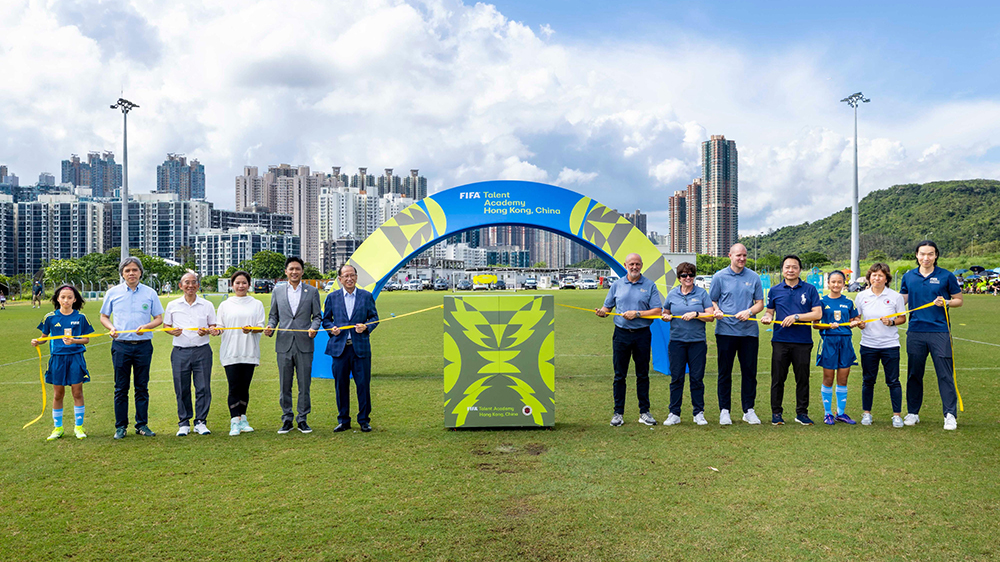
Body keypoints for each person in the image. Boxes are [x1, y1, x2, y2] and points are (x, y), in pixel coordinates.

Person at [900, 240, 963, 430]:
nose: (926, 258)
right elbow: (901, 300)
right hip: (916, 331)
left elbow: (958, 300)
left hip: (940, 332)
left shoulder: (946, 276)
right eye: (922, 254)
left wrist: (946, 302)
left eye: (930, 254)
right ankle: (912, 412)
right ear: (917, 256)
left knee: (945, 374)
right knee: (913, 374)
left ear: (936, 255)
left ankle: (950, 415)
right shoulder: (909, 276)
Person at [596, 253, 663, 427]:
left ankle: (644, 412)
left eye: (638, 264)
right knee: (619, 376)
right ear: (625, 265)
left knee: (643, 374)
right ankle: (618, 413)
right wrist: (602, 312)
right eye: (631, 264)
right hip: (621, 334)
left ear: (642, 265)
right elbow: (607, 306)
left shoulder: (649, 285)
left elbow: (657, 311)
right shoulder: (617, 285)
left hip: (642, 334)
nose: (634, 267)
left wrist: (638, 313)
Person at [100, 257, 164, 439]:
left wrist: (147, 327)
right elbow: (104, 316)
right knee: (121, 388)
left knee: (141, 387)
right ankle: (120, 426)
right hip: (121, 346)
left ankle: (142, 425)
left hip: (143, 346)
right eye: (127, 270)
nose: (131, 273)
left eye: (135, 270)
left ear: (140, 272)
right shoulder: (113, 293)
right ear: (122, 273)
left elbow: (159, 318)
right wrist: (111, 327)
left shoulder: (150, 293)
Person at [761, 255, 823, 426]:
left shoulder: (810, 289)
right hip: (780, 340)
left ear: (799, 270)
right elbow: (769, 312)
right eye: (787, 267)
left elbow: (817, 314)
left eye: (794, 267)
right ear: (782, 269)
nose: (790, 270)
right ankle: (776, 413)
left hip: (802, 341)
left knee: (802, 379)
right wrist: (767, 317)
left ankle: (802, 413)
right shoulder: (774, 290)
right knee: (778, 378)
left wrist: (797, 317)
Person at [710, 243, 766, 425]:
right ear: (730, 256)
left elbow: (760, 303)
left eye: (744, 255)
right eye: (738, 255)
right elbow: (712, 301)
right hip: (725, 332)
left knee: (749, 372)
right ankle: (724, 410)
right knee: (724, 372)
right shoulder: (719, 277)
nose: (742, 258)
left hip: (749, 333)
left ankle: (748, 410)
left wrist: (749, 312)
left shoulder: (754, 277)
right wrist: (716, 310)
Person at [265, 256, 322, 434]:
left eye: (298, 269)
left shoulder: (312, 292)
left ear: (302, 271)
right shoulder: (278, 291)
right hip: (284, 344)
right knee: (285, 385)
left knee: (304, 384)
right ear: (286, 272)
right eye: (291, 269)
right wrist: (270, 327)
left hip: (305, 343)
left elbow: (318, 316)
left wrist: (313, 328)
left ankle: (303, 419)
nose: (294, 272)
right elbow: (273, 315)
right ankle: (287, 419)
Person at [32, 285, 95, 440]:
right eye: (63, 297)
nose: (66, 300)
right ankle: (57, 428)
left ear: (75, 299)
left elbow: (86, 339)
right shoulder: (50, 317)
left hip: (75, 358)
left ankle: (79, 427)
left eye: (69, 297)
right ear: (57, 299)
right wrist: (37, 341)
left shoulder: (81, 317)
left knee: (77, 392)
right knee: (58, 394)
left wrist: (74, 340)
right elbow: (44, 337)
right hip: (57, 359)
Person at [322, 264, 380, 433]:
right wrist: (331, 328)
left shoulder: (366, 296)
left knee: (363, 385)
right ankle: (343, 420)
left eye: (352, 275)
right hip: (340, 349)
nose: (349, 279)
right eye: (345, 276)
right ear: (339, 279)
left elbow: (374, 317)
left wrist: (366, 327)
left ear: (356, 277)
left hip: (360, 348)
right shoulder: (332, 297)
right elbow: (326, 320)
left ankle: (363, 420)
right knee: (341, 385)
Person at [163, 272, 217, 436]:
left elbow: (213, 326)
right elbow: (166, 326)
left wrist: (207, 331)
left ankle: (201, 421)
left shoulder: (206, 305)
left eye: (194, 282)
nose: (190, 285)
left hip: (202, 350)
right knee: (182, 388)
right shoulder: (173, 305)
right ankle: (184, 422)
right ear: (181, 286)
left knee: (203, 387)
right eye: (187, 282)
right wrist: (172, 332)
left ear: (198, 286)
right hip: (180, 351)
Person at [660, 262, 714, 426]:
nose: (688, 278)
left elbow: (710, 316)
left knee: (697, 378)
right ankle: (674, 413)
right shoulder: (672, 294)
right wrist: (665, 316)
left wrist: (696, 314)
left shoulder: (702, 293)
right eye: (684, 275)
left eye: (691, 275)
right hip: (677, 342)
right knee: (676, 378)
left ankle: (698, 412)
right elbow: (666, 312)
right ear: (679, 278)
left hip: (697, 342)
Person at [854, 263, 907, 428]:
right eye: (874, 275)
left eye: (880, 275)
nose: (877, 278)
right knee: (868, 380)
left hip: (890, 345)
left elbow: (902, 318)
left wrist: (891, 322)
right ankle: (867, 414)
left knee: (893, 381)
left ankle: (897, 415)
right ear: (869, 277)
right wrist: (859, 324)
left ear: (887, 278)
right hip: (868, 345)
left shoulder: (895, 296)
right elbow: (856, 318)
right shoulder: (861, 296)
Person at [215, 270, 266, 437]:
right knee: (234, 387)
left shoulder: (256, 303)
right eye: (237, 283)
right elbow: (219, 327)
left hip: (249, 351)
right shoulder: (225, 305)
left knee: (245, 387)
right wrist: (215, 331)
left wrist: (252, 329)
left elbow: (261, 326)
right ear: (232, 285)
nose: (241, 286)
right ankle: (234, 421)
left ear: (249, 285)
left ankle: (243, 418)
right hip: (231, 351)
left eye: (244, 282)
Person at [813, 271, 861, 425]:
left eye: (839, 282)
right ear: (828, 283)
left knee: (843, 378)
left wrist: (856, 322)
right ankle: (828, 413)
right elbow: (815, 324)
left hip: (845, 342)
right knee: (828, 378)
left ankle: (840, 413)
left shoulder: (848, 302)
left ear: (844, 283)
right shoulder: (821, 301)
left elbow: (856, 319)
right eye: (833, 282)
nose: (836, 285)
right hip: (829, 342)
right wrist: (828, 325)